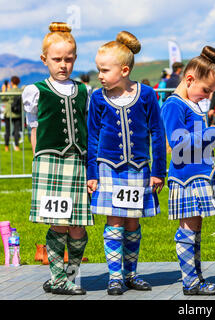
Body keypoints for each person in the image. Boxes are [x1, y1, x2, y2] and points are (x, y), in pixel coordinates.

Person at [87, 31, 166, 296]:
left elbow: (157, 132)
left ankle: (131, 273)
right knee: (115, 221)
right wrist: (92, 172)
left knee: (132, 222)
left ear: (123, 70)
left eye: (104, 70)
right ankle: (115, 276)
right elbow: (93, 136)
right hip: (109, 169)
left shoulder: (146, 95)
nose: (99, 75)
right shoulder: (98, 98)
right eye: (98, 69)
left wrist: (158, 171)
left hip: (139, 169)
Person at [23, 22, 93, 295]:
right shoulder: (36, 91)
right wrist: (36, 163)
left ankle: (70, 277)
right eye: (57, 59)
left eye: (68, 59)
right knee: (58, 221)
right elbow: (34, 130)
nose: (63, 64)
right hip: (50, 162)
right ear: (44, 60)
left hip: (77, 163)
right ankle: (59, 279)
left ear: (75, 58)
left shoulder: (84, 91)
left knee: (78, 226)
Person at [161, 46, 215, 296]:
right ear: (189, 79)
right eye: (206, 90)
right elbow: (177, 144)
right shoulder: (173, 105)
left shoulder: (193, 103)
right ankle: (190, 282)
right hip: (185, 177)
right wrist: (209, 134)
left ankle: (196, 277)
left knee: (196, 227)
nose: (207, 95)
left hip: (201, 173)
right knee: (188, 228)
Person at [2, 76, 22, 152]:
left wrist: (4, 90)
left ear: (11, 82)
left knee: (7, 131)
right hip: (17, 114)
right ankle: (17, 146)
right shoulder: (20, 91)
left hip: (8, 113)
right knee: (16, 131)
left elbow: (3, 99)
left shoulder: (9, 92)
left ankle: (6, 147)